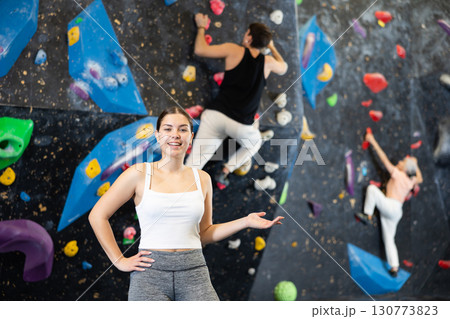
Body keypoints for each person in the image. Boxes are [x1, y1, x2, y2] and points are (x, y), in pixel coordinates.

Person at [89, 106, 284, 301]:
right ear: (157, 136)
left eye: (182, 129)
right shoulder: (138, 174)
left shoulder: (203, 178)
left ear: (191, 137)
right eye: (168, 129)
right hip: (149, 273)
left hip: (194, 270)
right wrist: (119, 260)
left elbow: (204, 233)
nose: (175, 134)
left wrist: (246, 222)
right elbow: (97, 215)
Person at [185, 13, 288, 188]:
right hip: (241, 126)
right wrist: (271, 46)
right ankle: (226, 169)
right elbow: (284, 67)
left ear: (249, 37)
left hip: (215, 116)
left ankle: (167, 197)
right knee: (255, 142)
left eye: (247, 33)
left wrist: (201, 27)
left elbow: (200, 49)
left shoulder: (234, 50)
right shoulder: (268, 62)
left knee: (193, 166)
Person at [356, 131, 423, 277]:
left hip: (390, 205)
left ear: (405, 169)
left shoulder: (398, 174)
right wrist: (415, 164)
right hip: (396, 211)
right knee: (389, 239)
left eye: (402, 163)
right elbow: (420, 178)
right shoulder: (411, 181)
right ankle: (394, 267)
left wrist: (372, 140)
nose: (399, 162)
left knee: (372, 189)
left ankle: (368, 215)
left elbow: (383, 158)